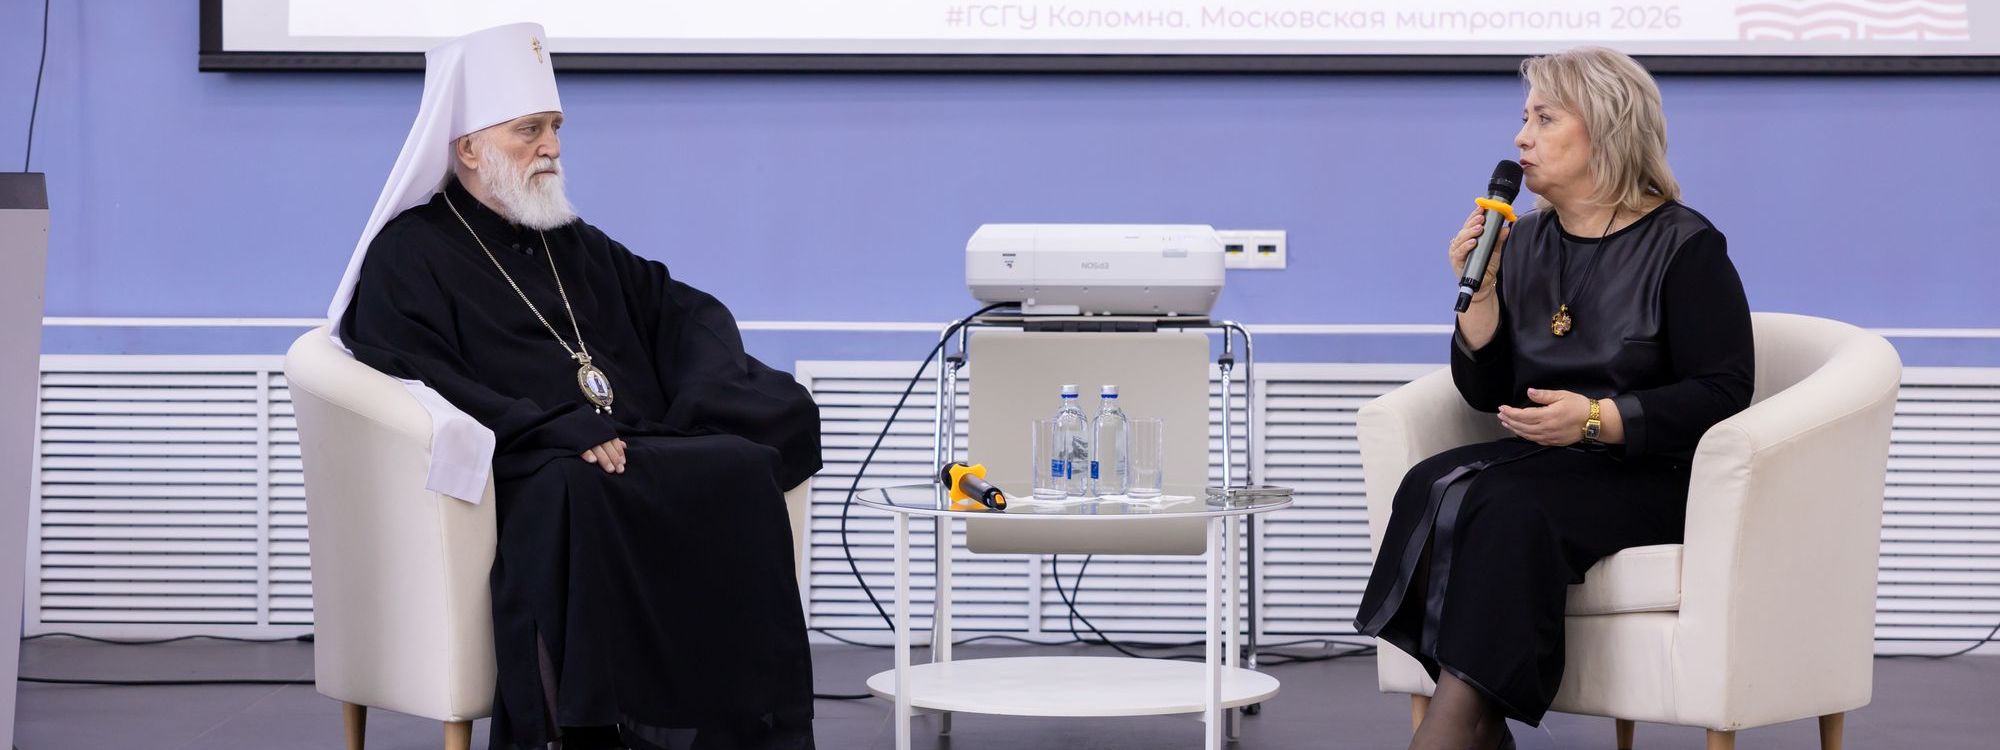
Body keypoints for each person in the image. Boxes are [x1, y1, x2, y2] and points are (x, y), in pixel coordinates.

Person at [326, 24, 820, 750]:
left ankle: (735, 734)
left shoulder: (570, 240)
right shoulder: (410, 252)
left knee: (741, 463)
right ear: (469, 148)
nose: (551, 147)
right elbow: (414, 368)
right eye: (529, 130)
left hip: (621, 442)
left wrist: (708, 391)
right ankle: (585, 734)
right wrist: (548, 425)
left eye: (555, 127)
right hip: (520, 462)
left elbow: (680, 311)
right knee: (574, 484)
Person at [1352, 46, 1755, 750]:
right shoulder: (1525, 241)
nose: (1520, 138)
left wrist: (1599, 419)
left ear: (1605, 128)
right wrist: (1480, 296)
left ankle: (1456, 731)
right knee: (1430, 484)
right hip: (1548, 462)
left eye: (1544, 118)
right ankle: (1474, 726)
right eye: (1524, 118)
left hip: (1652, 473)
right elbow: (1484, 393)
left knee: (1508, 507)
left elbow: (1724, 392)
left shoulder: (1685, 245)